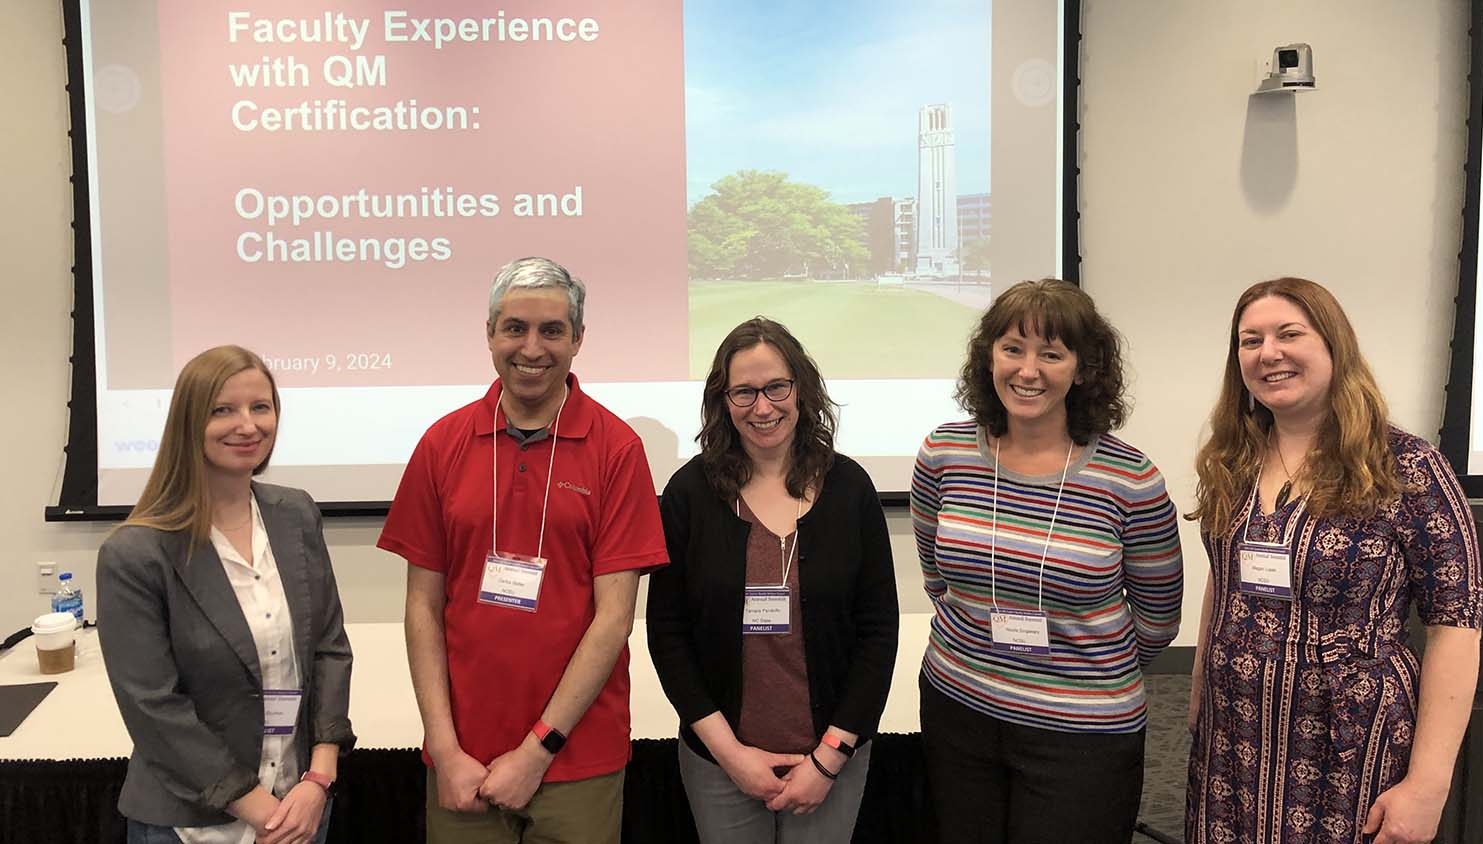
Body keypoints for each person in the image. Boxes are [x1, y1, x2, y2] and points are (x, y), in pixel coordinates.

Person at [1185, 277, 1483, 844]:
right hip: (1235, 735)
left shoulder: (1407, 466)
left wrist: (1428, 785)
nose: (1268, 352)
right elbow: (1223, 585)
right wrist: (1198, 704)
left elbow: (1456, 627)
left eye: (1288, 333)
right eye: (1250, 341)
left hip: (1349, 739)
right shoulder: (1233, 458)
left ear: (1333, 345)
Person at [379, 257, 667, 844]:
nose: (531, 347)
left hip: (576, 759)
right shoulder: (442, 444)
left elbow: (613, 621)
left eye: (552, 330)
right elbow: (421, 608)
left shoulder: (618, 450)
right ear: (489, 334)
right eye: (514, 328)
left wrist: (538, 750)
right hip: (463, 762)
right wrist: (444, 746)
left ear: (578, 339)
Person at [910, 279, 1184, 844]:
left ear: (1083, 370)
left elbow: (1158, 620)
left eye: (1051, 354)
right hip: (959, 707)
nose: (1027, 370)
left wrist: (1075, 668)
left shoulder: (1130, 479)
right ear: (989, 357)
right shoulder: (945, 453)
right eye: (1012, 348)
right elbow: (937, 576)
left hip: (1082, 733)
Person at [647, 317, 900, 843]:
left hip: (831, 761)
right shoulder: (690, 493)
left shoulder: (849, 488)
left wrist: (829, 759)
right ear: (723, 400)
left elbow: (878, 632)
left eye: (776, 387)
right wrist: (731, 756)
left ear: (801, 389)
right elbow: (668, 634)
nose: (763, 408)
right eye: (744, 392)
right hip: (720, 763)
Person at [97, 345, 354, 844]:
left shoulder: (296, 514)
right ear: (189, 422)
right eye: (223, 410)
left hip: (302, 805)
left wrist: (319, 778)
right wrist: (261, 810)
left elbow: (328, 648)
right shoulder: (135, 554)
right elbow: (154, 707)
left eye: (261, 407)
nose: (248, 425)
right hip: (190, 823)